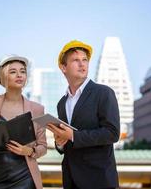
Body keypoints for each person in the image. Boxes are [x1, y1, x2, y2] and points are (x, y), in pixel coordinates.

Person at [47, 40, 121, 189]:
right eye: (76, 60)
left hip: (99, 180)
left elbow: (112, 133)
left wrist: (73, 136)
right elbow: (66, 143)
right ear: (63, 67)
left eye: (85, 60)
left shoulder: (104, 93)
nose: (82, 64)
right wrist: (60, 143)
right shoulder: (62, 103)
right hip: (71, 180)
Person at [0, 55, 47, 189]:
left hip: (24, 177)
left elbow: (43, 146)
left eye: (22, 71)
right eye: (13, 71)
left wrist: (28, 151)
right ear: (3, 76)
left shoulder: (37, 109)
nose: (19, 75)